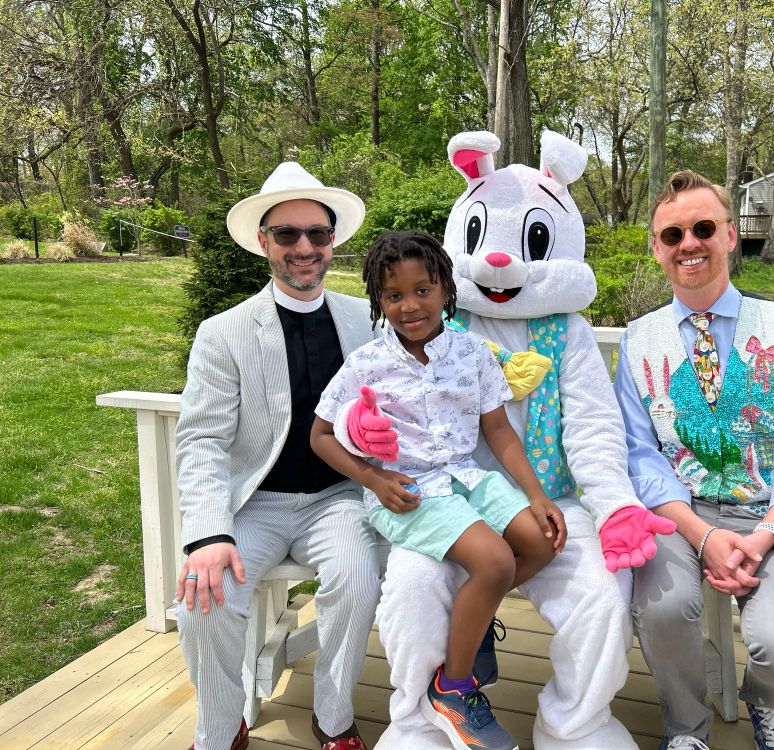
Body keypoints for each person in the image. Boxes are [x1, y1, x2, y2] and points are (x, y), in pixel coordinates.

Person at [369, 130, 676, 750]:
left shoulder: (568, 334)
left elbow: (591, 424)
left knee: (599, 593)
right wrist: (370, 440)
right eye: (483, 240)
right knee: (409, 588)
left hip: (554, 500)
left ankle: (577, 726)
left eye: (531, 239)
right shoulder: (434, 323)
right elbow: (385, 397)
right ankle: (419, 723)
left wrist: (614, 504)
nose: (503, 260)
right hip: (451, 503)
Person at [310, 230, 566, 750]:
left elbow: (498, 431)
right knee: (494, 562)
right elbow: (319, 435)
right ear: (379, 301)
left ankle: (473, 621)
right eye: (394, 295)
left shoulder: (472, 353)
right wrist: (373, 478)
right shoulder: (367, 364)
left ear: (446, 288)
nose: (411, 306)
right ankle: (452, 686)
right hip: (408, 492)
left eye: (423, 290)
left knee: (541, 541)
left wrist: (536, 494)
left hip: (469, 478)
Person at [613, 170, 774, 750]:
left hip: (764, 514)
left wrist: (761, 537)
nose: (689, 243)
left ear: (731, 235)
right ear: (658, 250)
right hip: (676, 515)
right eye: (672, 235)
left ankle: (768, 700)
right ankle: (686, 726)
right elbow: (639, 453)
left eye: (703, 227)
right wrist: (701, 534)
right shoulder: (638, 341)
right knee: (664, 612)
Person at [174, 162, 381, 750]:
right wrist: (208, 534)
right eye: (287, 234)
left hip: (337, 498)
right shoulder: (225, 332)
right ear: (264, 242)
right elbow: (202, 440)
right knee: (202, 602)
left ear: (332, 240)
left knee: (358, 576)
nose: (304, 247)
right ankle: (220, 729)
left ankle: (333, 717)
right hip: (255, 504)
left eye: (317, 233)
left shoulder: (362, 320)